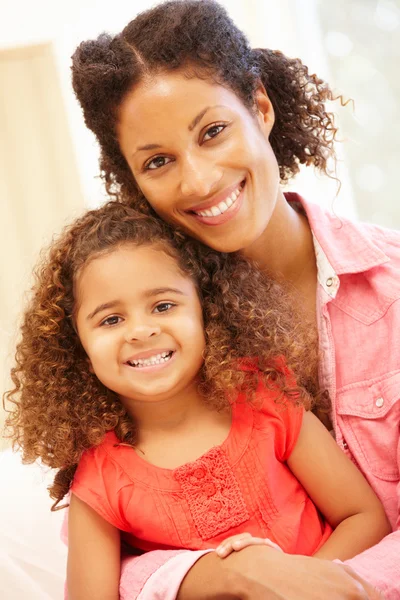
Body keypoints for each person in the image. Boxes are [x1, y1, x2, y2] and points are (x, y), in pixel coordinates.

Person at [68, 1, 400, 599]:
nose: (197, 180)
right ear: (133, 180)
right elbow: (116, 553)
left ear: (261, 107)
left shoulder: (393, 288)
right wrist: (214, 574)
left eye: (213, 131)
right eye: (159, 161)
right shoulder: (153, 339)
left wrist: (316, 585)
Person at [3, 200, 391, 600]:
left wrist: (302, 582)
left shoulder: (265, 398)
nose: (141, 331)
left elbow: (363, 517)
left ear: (205, 309)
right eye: (111, 319)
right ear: (77, 345)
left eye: (164, 305)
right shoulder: (98, 481)